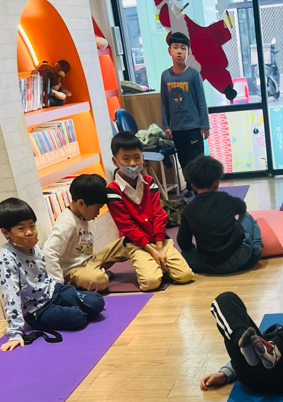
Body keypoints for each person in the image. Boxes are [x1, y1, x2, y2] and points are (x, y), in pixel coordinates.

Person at [0, 198, 105, 352]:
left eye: (32, 226)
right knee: (77, 318)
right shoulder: (6, 259)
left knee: (97, 301)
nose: (29, 232)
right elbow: (10, 296)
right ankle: (69, 311)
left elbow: (45, 276)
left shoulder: (35, 248)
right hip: (37, 311)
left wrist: (61, 291)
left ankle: (71, 307)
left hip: (54, 291)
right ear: (6, 232)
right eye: (21, 228)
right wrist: (15, 333)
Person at [104, 132, 194, 290]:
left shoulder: (149, 182)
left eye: (137, 157)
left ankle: (159, 265)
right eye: (126, 159)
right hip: (137, 243)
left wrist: (159, 247)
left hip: (159, 239)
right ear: (115, 161)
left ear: (142, 157)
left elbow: (159, 214)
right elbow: (127, 226)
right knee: (150, 283)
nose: (133, 163)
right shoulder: (112, 191)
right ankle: (155, 265)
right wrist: (152, 251)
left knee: (185, 275)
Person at [177, 156, 262, 275]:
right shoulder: (224, 198)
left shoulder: (188, 210)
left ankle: (215, 266)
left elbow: (183, 242)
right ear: (217, 183)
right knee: (247, 217)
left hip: (211, 263)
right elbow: (242, 207)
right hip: (241, 254)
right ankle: (256, 248)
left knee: (185, 255)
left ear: (193, 186)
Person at [43, 174, 117, 292]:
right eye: (97, 208)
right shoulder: (67, 223)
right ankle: (93, 276)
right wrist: (58, 285)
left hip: (88, 262)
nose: (97, 213)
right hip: (73, 271)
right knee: (100, 280)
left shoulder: (83, 215)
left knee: (125, 243)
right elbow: (48, 252)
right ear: (81, 203)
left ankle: (94, 273)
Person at [160, 31, 210, 171]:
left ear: (188, 52)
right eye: (175, 47)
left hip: (194, 127)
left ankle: (198, 184)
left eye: (183, 48)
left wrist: (205, 125)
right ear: (169, 51)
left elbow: (201, 101)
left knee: (197, 162)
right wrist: (166, 125)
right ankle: (189, 184)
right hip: (176, 129)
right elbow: (164, 102)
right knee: (184, 161)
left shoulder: (193, 74)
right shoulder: (165, 76)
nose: (179, 51)